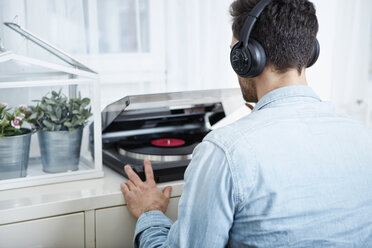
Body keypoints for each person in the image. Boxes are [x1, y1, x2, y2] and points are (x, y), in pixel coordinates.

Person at [120, 0, 372, 247]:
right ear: (310, 51)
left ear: (247, 57)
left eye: (235, 50)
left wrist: (150, 214)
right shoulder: (363, 138)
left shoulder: (224, 152)